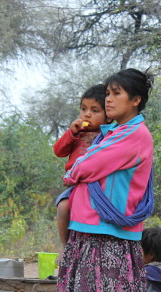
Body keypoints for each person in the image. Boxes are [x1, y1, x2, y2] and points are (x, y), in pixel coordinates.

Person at [54, 68, 161, 292]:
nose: (109, 99)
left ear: (136, 100)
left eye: (117, 94)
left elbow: (82, 168)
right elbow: (80, 165)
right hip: (89, 228)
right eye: (109, 93)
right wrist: (79, 169)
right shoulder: (113, 132)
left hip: (109, 233)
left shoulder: (133, 135)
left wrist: (78, 170)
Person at [52, 84, 109, 262]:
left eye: (95, 110)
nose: (87, 114)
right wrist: (71, 133)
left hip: (98, 186)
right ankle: (64, 245)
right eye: (83, 109)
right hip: (76, 184)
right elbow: (59, 151)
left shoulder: (110, 134)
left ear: (108, 115)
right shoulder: (77, 133)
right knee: (63, 207)